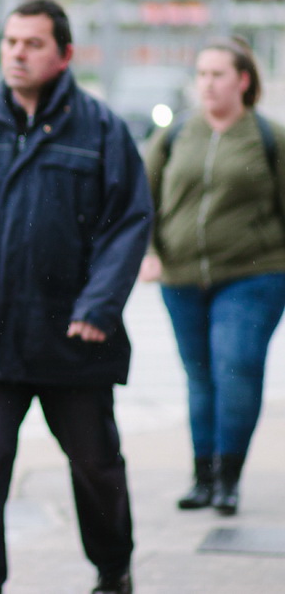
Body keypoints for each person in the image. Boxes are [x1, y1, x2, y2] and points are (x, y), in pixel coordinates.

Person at [0, 0, 152, 594]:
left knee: (96, 467)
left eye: (33, 43)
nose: (17, 53)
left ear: (64, 55)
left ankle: (113, 568)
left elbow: (130, 223)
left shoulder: (100, 129)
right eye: (11, 42)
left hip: (74, 336)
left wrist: (99, 307)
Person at [139, 37, 285, 516]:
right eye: (201, 74)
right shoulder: (177, 133)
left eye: (217, 74)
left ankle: (229, 478)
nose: (207, 83)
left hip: (254, 276)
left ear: (243, 80)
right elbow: (141, 198)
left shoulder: (269, 137)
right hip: (181, 277)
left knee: (236, 366)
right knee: (199, 377)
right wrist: (150, 252)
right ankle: (202, 477)